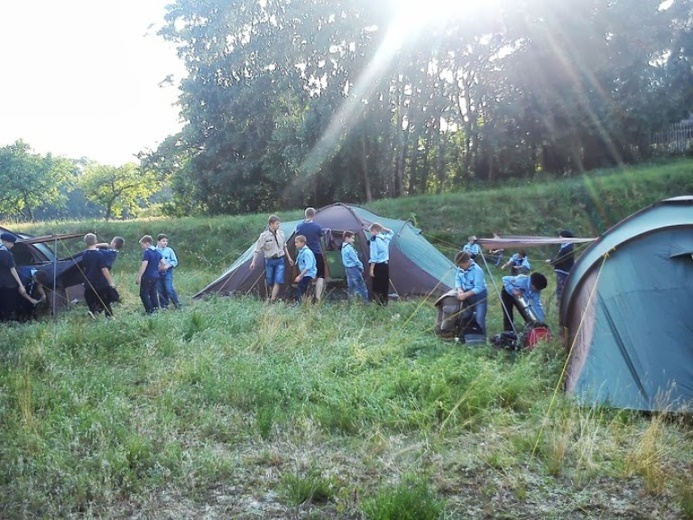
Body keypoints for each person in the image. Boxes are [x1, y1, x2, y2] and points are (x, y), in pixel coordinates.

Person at [249, 215, 294, 302]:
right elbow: (257, 250)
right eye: (277, 224)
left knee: (278, 280)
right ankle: (271, 295)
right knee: (269, 280)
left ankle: (272, 300)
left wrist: (289, 258)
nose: (278, 225)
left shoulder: (281, 233)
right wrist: (253, 262)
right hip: (269, 260)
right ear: (271, 224)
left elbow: (284, 246)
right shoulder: (264, 236)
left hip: (280, 260)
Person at [82, 233, 118, 318]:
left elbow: (85, 268)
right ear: (96, 241)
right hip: (100, 281)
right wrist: (110, 282)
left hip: (89, 281)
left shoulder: (84, 254)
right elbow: (104, 269)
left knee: (92, 298)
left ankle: (93, 311)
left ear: (85, 243)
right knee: (106, 299)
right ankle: (109, 316)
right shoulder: (99, 255)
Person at [454, 251, 488, 336]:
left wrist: (465, 295)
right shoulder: (460, 268)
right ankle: (468, 336)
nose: (460, 267)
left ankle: (482, 338)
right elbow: (457, 279)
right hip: (467, 296)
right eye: (458, 266)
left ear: (468, 262)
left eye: (461, 265)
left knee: (479, 319)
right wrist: (459, 289)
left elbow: (479, 288)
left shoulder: (477, 270)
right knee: (466, 316)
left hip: (479, 297)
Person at [295, 208, 326, 302]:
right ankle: (318, 297)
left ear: (305, 215)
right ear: (313, 215)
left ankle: (306, 296)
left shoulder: (299, 226)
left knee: (306, 275)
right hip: (316, 253)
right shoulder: (317, 227)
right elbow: (321, 238)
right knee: (320, 276)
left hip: (303, 254)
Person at [0, 232, 28, 322]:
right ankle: (9, 321)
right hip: (9, 285)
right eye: (11, 243)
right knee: (11, 304)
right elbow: (13, 270)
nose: (12, 246)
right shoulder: (8, 254)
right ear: (4, 242)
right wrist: (20, 285)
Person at [135, 235, 163, 314]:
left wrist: (139, 277)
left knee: (143, 294)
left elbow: (144, 265)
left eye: (142, 245)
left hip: (147, 276)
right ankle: (156, 308)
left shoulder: (147, 252)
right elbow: (163, 264)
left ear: (147, 243)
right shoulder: (157, 252)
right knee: (153, 293)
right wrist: (157, 270)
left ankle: (150, 310)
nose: (142, 247)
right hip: (155, 276)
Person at [545, 229, 575, 304]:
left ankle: (561, 305)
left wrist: (551, 261)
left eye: (560, 237)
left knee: (561, 290)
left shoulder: (566, 248)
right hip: (565, 271)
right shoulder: (567, 247)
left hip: (563, 272)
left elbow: (560, 260)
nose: (559, 239)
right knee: (563, 289)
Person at [368, 222, 394, 305]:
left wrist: (371, 269)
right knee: (384, 284)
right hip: (385, 265)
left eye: (371, 232)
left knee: (377, 285)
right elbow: (391, 232)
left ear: (374, 231)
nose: (370, 233)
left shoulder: (374, 240)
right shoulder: (385, 238)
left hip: (377, 266)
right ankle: (385, 302)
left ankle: (378, 303)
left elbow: (374, 257)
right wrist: (383, 228)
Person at [156, 233, 182, 309]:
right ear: (158, 241)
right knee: (160, 290)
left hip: (167, 272)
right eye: (163, 241)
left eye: (166, 241)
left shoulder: (169, 250)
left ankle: (177, 304)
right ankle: (164, 306)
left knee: (168, 288)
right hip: (158, 272)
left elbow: (174, 261)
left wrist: (167, 266)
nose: (165, 243)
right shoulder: (155, 250)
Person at [341, 230, 369, 302]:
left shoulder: (343, 247)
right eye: (352, 238)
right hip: (354, 268)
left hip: (348, 269)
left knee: (351, 286)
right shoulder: (349, 248)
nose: (353, 240)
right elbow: (355, 259)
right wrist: (361, 266)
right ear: (347, 238)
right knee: (361, 286)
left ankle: (351, 302)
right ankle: (366, 302)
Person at [293, 235, 316, 302]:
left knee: (300, 289)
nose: (295, 244)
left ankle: (299, 303)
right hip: (305, 274)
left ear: (302, 243)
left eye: (297, 242)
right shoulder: (302, 252)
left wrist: (300, 276)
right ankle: (305, 302)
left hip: (308, 274)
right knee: (303, 289)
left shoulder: (307, 252)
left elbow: (308, 266)